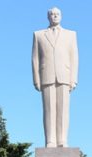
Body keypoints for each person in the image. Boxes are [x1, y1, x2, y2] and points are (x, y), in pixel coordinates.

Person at [32, 6, 78, 148]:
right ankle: (50, 140)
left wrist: (73, 79)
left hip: (64, 76)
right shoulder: (38, 35)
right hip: (47, 76)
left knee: (63, 110)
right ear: (48, 17)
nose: (54, 16)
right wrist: (36, 79)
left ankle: (63, 140)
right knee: (49, 110)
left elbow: (74, 57)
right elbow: (35, 59)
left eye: (57, 14)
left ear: (61, 16)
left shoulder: (71, 35)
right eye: (52, 14)